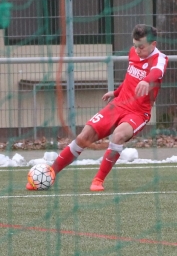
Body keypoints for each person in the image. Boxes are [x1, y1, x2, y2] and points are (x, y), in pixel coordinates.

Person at [34, 24, 166, 192]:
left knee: (118, 136)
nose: (137, 50)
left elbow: (156, 72)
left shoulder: (160, 59)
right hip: (118, 104)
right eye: (135, 46)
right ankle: (50, 174)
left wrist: (147, 81)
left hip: (138, 113)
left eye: (141, 47)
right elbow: (130, 78)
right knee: (84, 136)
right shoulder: (133, 53)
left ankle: (98, 180)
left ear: (153, 44)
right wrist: (116, 92)